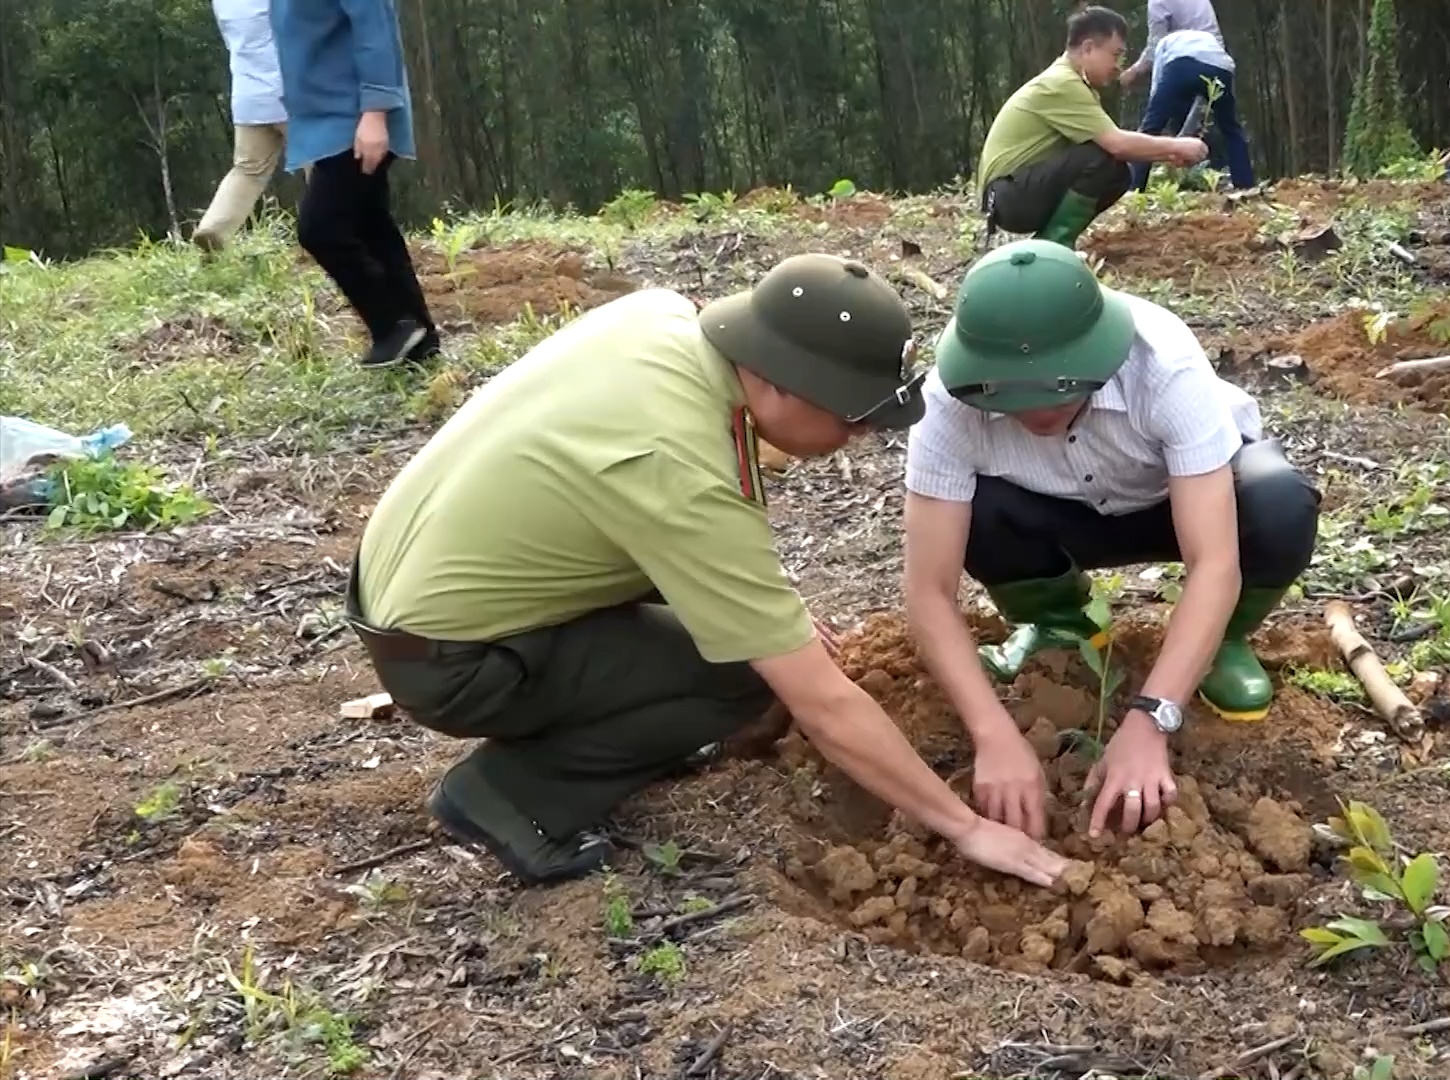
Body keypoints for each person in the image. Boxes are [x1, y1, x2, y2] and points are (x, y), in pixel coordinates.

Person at [344, 252, 1069, 890]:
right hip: (450, 660)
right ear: (782, 383)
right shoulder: (680, 467)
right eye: (853, 418)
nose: (856, 438)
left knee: (751, 642)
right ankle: (512, 798)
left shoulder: (659, 319)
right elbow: (822, 703)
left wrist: (763, 615)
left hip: (413, 578)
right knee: (745, 677)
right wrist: (965, 827)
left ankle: (597, 722)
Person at [901, 240, 1321, 841]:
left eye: (1057, 390)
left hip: (1176, 502)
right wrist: (992, 735)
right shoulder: (947, 398)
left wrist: (1151, 722)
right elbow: (928, 590)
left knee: (1278, 505)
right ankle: (1060, 628)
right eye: (1012, 397)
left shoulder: (1162, 361)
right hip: (1052, 512)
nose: (1036, 412)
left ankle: (1220, 641)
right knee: (977, 513)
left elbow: (1214, 561)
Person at [271, 0, 439, 368]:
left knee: (321, 228)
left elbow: (375, 29)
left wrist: (376, 112)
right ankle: (420, 341)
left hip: (356, 116)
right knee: (370, 225)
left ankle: (393, 323)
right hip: (324, 114)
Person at [976, 6, 1208, 249]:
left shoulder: (1071, 82)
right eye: (1115, 54)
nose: (1118, 65)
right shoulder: (1063, 83)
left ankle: (1048, 246)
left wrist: (1167, 153)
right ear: (1088, 48)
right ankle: (1055, 247)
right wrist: (1176, 146)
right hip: (1007, 199)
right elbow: (1117, 144)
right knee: (1100, 158)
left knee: (1117, 173)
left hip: (1011, 194)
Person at [190, 0, 287, 252]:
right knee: (322, 166)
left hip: (249, 96)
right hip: (291, 90)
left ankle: (214, 229)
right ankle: (334, 232)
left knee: (247, 171)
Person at [1129, 28, 1255, 191]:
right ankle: (1245, 185)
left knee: (1150, 129)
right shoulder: (1207, 38)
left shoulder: (1164, 44)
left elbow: (1158, 85)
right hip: (1221, 68)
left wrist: (1155, 118)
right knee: (1230, 129)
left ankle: (1135, 188)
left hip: (1181, 65)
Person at [1114, 0, 1223, 144]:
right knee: (1209, 128)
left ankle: (1139, 163)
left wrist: (1131, 74)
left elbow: (1155, 48)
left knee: (1155, 127)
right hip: (1218, 61)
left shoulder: (1158, 2)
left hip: (1186, 64)